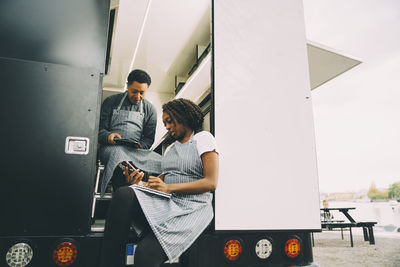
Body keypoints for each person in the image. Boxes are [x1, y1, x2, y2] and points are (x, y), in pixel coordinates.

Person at [99, 98, 219, 267]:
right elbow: (161, 182)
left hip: (192, 208)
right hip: (169, 203)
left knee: (144, 254)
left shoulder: (203, 139)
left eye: (170, 121)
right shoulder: (170, 149)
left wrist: (169, 188)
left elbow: (211, 182)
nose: (167, 127)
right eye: (165, 123)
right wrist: (140, 183)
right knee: (125, 193)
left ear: (183, 117)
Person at [98, 69, 162, 195]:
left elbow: (149, 139)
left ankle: (145, 196)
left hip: (135, 151)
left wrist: (140, 145)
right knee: (120, 155)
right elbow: (99, 131)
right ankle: (122, 195)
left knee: (162, 161)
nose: (138, 96)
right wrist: (109, 136)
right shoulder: (111, 102)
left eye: (142, 93)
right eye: (134, 91)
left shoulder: (150, 110)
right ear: (127, 86)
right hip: (111, 148)